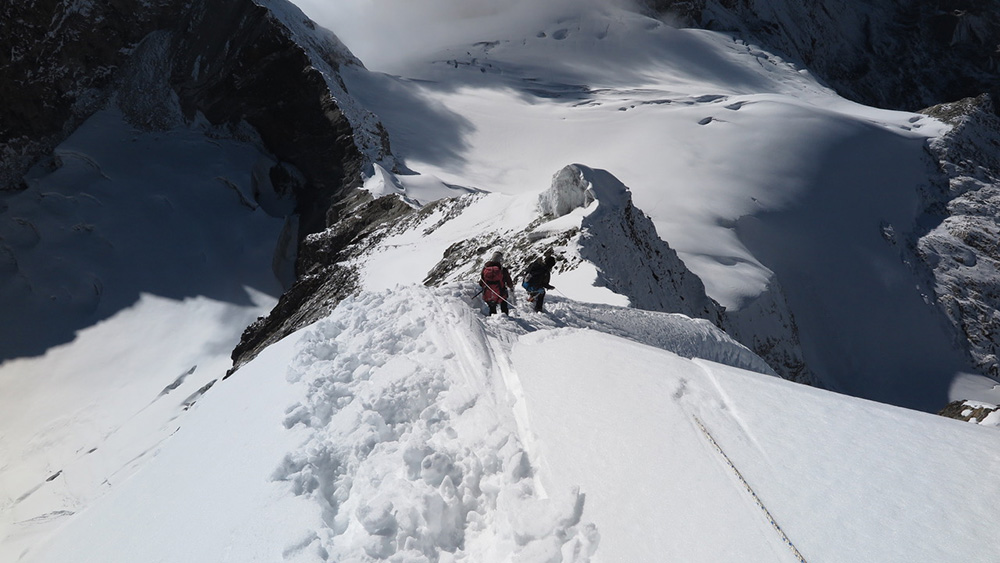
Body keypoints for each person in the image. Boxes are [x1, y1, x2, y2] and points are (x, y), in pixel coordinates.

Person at [479, 251, 514, 316]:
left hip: (488, 293)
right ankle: (505, 317)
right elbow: (509, 281)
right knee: (503, 304)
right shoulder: (502, 269)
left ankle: (493, 319)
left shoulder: (485, 268)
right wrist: (511, 287)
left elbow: (481, 281)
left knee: (492, 307)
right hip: (501, 293)